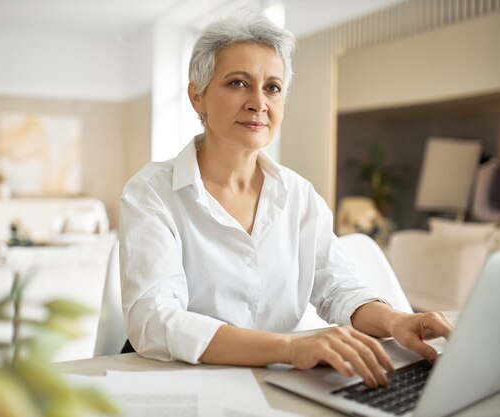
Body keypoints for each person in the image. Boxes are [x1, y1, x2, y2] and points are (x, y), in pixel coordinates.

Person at [119, 10, 452, 389]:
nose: (258, 102)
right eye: (238, 83)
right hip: (179, 385)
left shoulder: (299, 195)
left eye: (272, 87)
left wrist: (396, 320)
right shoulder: (150, 192)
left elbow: (338, 288)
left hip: (272, 385)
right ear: (198, 97)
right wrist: (290, 349)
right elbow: (154, 321)